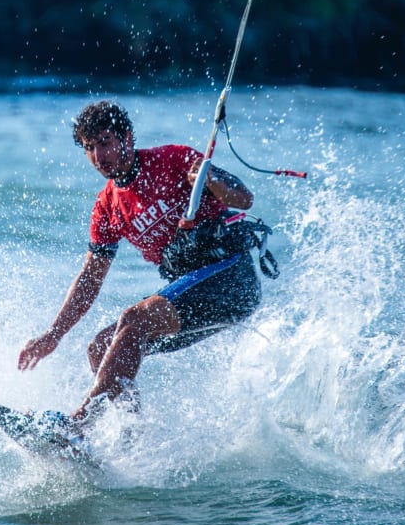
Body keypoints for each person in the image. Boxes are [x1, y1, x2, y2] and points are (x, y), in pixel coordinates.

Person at [17, 100, 263, 424]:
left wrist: (210, 179)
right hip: (193, 293)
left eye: (105, 143)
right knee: (102, 347)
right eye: (89, 148)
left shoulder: (172, 160)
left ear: (127, 138)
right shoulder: (106, 207)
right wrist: (54, 334)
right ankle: (130, 444)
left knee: (134, 320)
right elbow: (91, 277)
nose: (98, 156)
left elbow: (244, 198)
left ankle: (79, 424)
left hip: (232, 278)